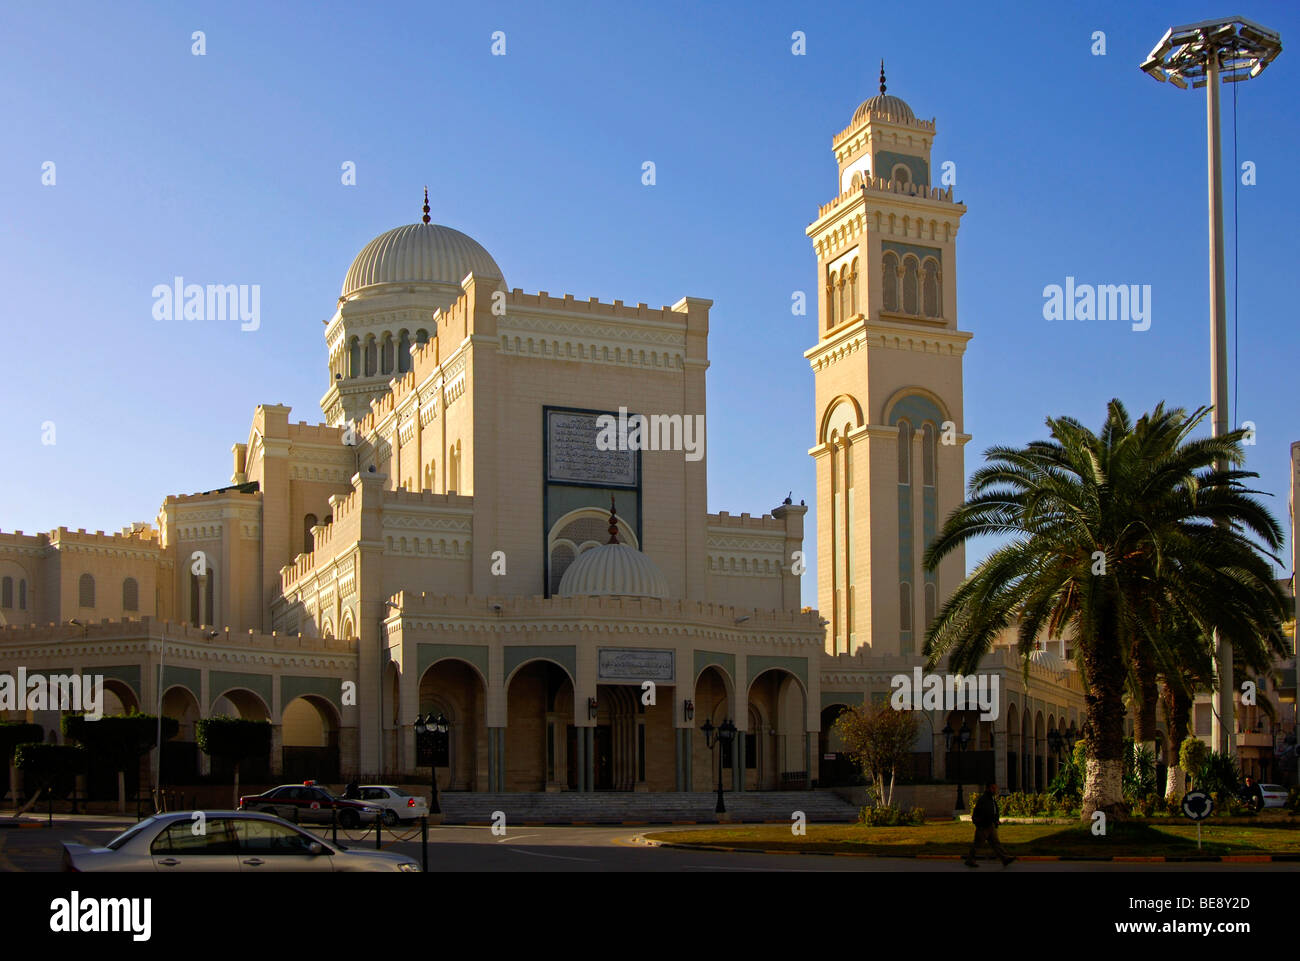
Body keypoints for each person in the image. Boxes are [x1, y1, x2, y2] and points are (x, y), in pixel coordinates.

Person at [967, 782, 1015, 868]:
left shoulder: (991, 799)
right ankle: (970, 860)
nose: (995, 790)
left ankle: (1005, 858)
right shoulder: (983, 799)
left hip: (990, 825)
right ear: (988, 789)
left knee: (996, 843)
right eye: (993, 788)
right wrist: (979, 823)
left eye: (995, 788)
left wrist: (996, 820)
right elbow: (978, 813)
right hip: (983, 826)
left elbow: (994, 811)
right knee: (978, 844)